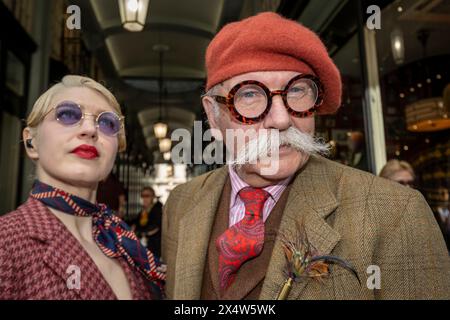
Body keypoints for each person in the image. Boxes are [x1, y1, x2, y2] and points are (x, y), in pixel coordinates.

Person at [162, 12, 450, 300]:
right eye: (249, 95)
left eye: (297, 90)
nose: (281, 119)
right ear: (213, 115)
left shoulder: (396, 214)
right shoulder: (181, 204)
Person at [0, 75, 164, 300]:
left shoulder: (122, 243)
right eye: (67, 114)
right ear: (31, 142)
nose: (90, 129)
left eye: (107, 122)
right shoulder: (6, 243)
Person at [132, 186, 163, 258]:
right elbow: (135, 224)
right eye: (142, 196)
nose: (144, 198)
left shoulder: (157, 210)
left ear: (153, 197)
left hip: (153, 246)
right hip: (143, 245)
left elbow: (155, 227)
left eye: (147, 196)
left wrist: (140, 232)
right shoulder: (143, 212)